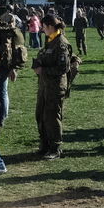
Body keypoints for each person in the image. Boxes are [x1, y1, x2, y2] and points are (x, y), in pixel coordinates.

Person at [32, 14, 74, 159]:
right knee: (41, 115)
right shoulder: (50, 40)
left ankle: (55, 148)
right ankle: (45, 145)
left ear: (50, 27)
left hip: (55, 86)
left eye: (43, 27)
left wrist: (43, 70)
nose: (42, 30)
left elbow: (63, 68)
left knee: (52, 116)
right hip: (44, 85)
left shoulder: (61, 43)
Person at [0, 10, 26, 127]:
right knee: (3, 92)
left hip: (1, 65)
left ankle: (0, 118)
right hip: (9, 65)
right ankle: (3, 115)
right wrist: (13, 68)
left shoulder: (2, 33)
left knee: (0, 92)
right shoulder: (16, 33)